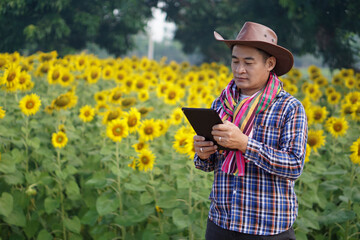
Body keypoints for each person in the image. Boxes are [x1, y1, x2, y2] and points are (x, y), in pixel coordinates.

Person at [193, 21, 308, 240]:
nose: (239, 69)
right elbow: (208, 165)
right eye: (235, 61)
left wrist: (245, 144)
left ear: (270, 63)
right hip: (222, 222)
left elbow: (294, 165)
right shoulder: (221, 104)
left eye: (248, 62)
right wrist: (202, 153)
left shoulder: (289, 107)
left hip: (267, 228)